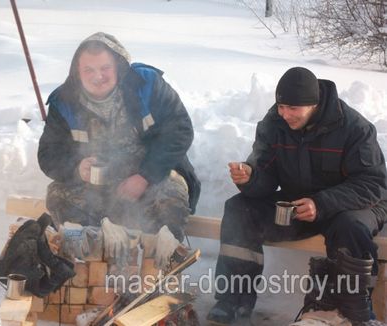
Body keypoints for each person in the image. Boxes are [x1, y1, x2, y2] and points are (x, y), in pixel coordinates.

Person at [207, 67, 387, 325]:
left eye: (293, 108)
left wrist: (322, 203)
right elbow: (265, 174)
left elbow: (372, 183)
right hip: (300, 205)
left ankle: (356, 313)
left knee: (349, 227)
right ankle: (233, 301)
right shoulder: (274, 123)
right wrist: (251, 176)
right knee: (240, 209)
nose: (285, 114)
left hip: (355, 204)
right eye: (281, 106)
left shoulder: (353, 127)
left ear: (313, 104)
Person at [38, 32, 200, 268]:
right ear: (77, 71)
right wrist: (76, 168)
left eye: (105, 68)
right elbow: (47, 155)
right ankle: (86, 265)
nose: (98, 77)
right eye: (89, 70)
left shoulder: (148, 85)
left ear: (118, 66)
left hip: (150, 178)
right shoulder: (64, 102)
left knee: (171, 191)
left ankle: (159, 268)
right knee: (58, 195)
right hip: (97, 188)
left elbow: (180, 131)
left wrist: (145, 176)